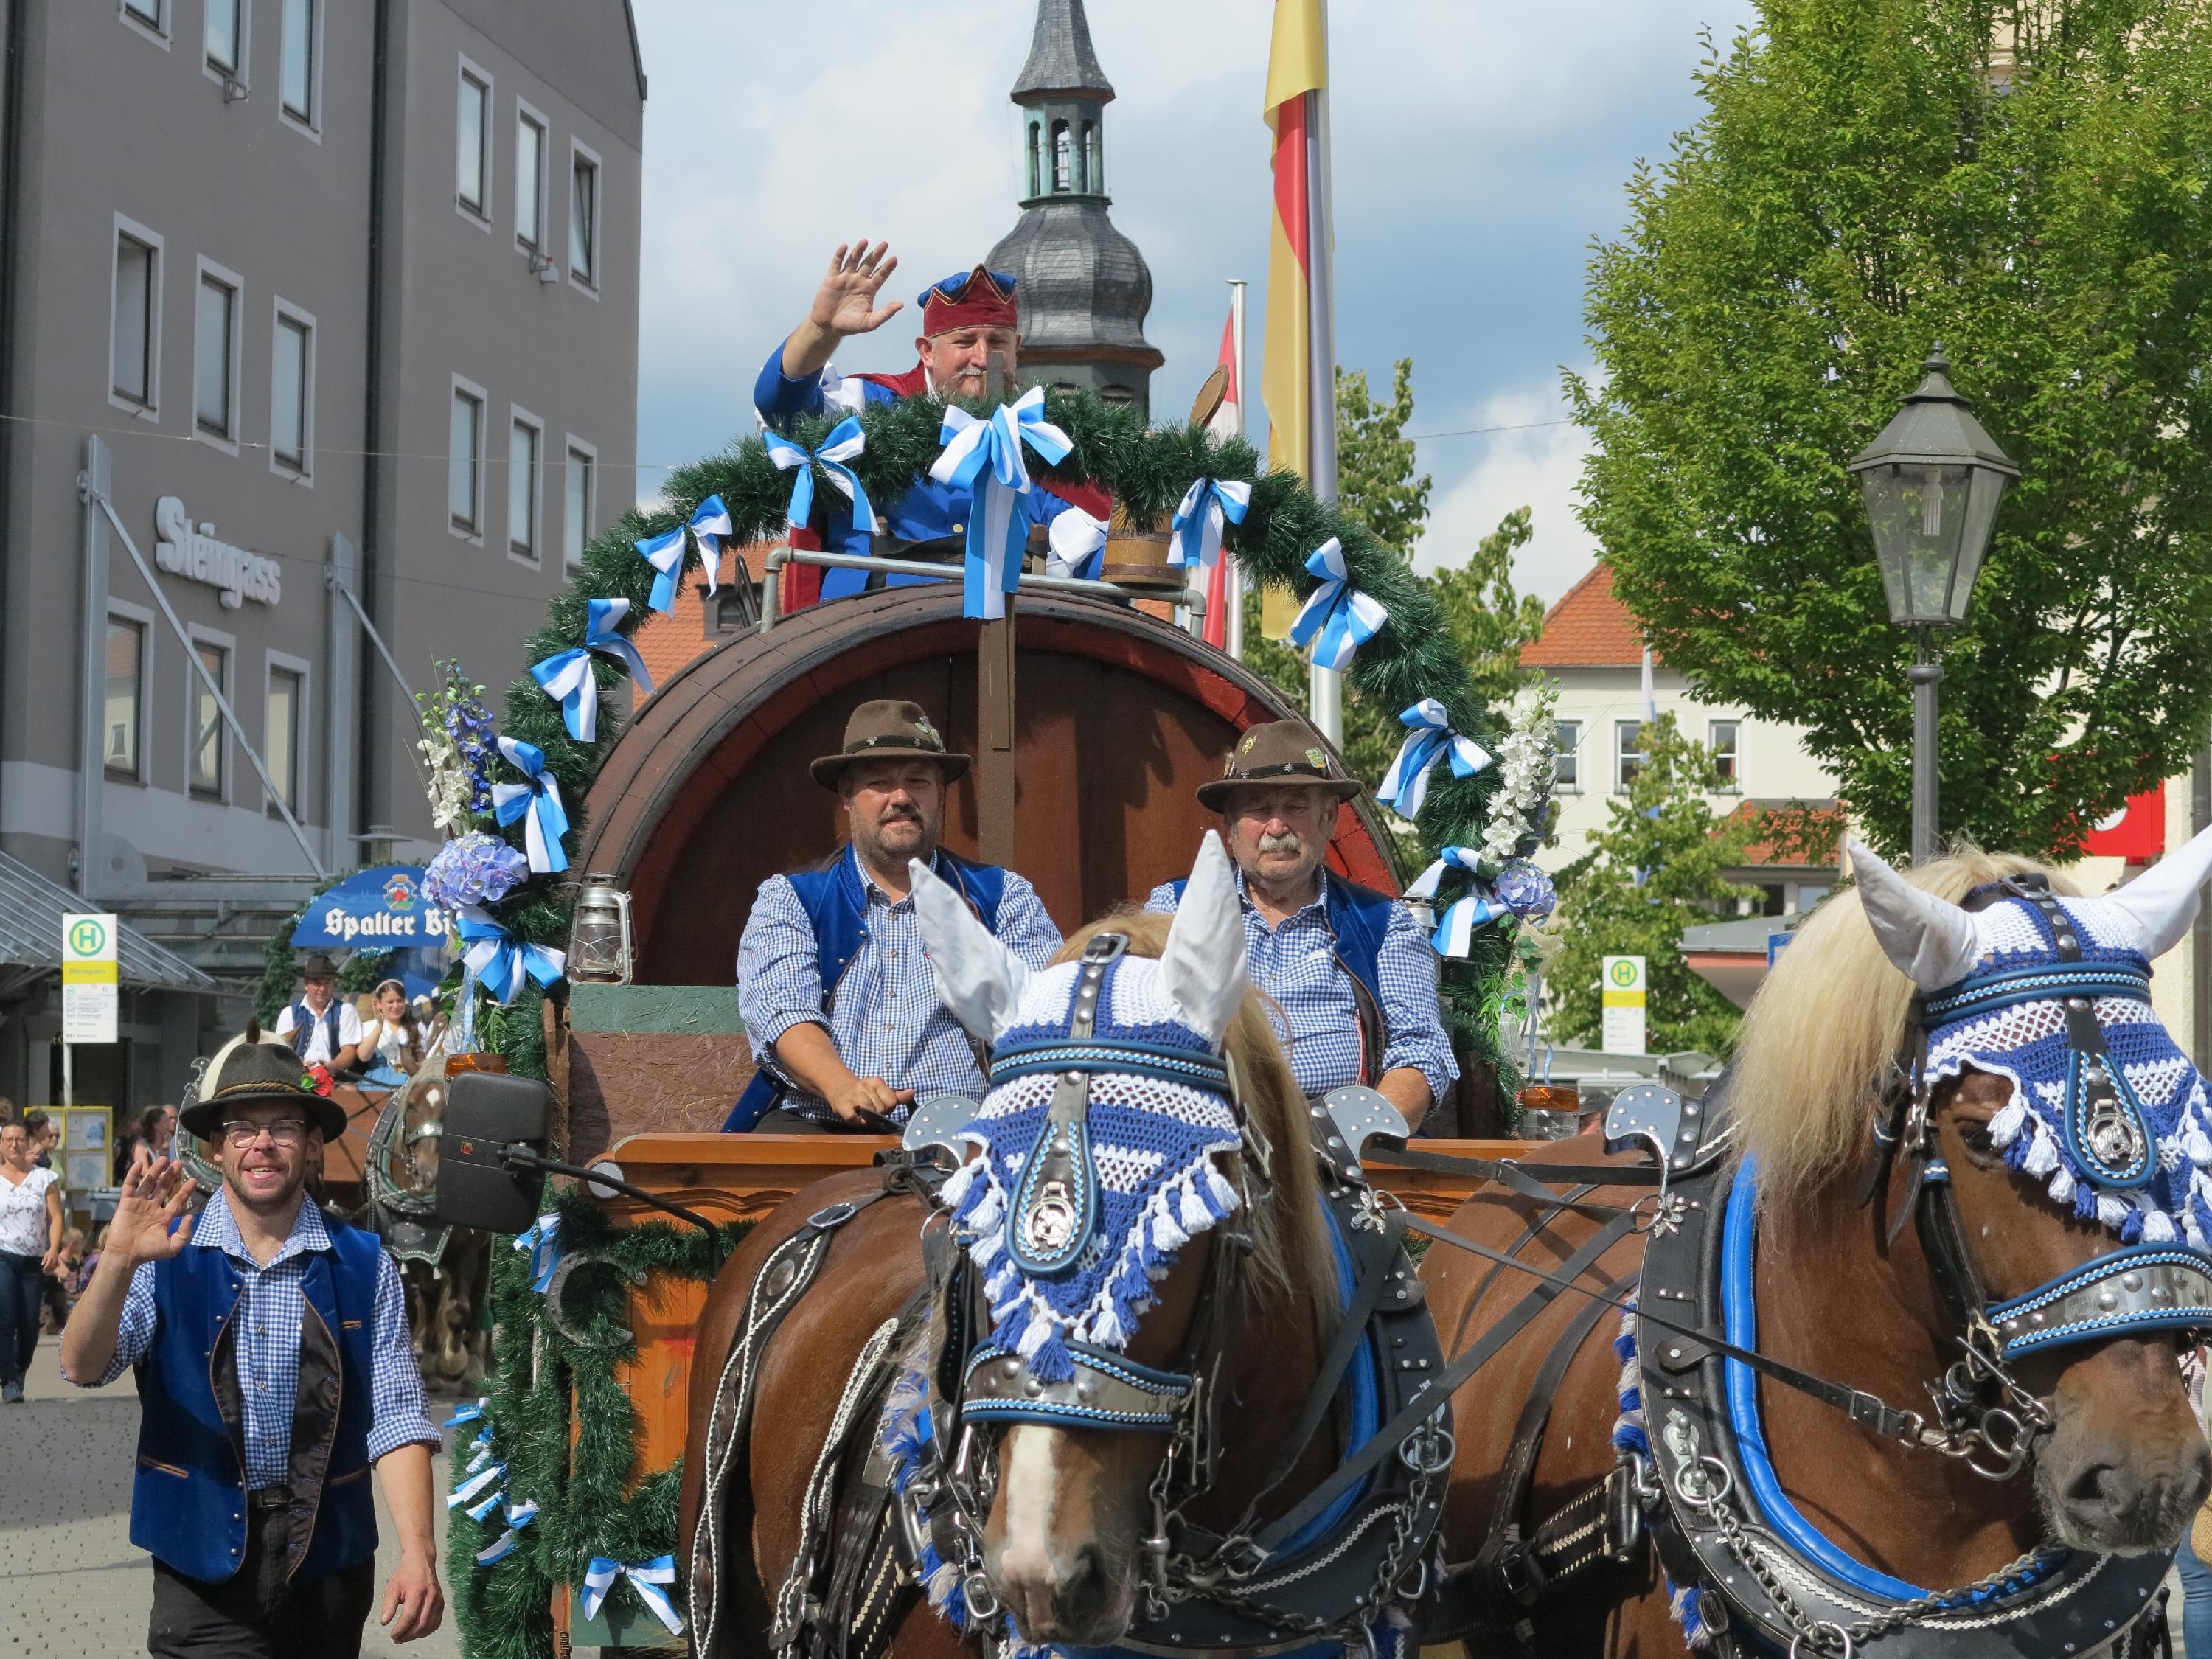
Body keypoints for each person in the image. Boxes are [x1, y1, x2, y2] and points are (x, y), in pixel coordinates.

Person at [60, 1027, 445, 1655]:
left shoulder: (364, 1262)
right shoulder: (162, 1253)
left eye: (283, 1127)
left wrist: (420, 1554)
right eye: (243, 1128)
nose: (261, 1144)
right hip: (200, 1565)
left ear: (314, 1144)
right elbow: (80, 1367)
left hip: (328, 1566)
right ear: (218, 1148)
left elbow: (398, 1419)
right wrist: (119, 1261)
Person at [734, 699, 1062, 1131]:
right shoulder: (791, 898)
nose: (902, 797)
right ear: (848, 798)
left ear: (939, 794)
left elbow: (1049, 1018)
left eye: (918, 781)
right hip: (819, 1126)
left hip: (969, 1136)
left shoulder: (1005, 898)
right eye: (880, 782)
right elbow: (783, 1013)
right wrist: (842, 1087)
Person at [1146, 722, 1458, 1131]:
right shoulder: (1174, 910)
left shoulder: (1385, 925)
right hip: (1203, 1139)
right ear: (1231, 828)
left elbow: (1421, 1050)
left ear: (1328, 820)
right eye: (1258, 808)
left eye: (1295, 807)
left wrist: (1362, 1133)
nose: (1277, 828)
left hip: (1339, 1150)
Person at [752, 243, 1105, 597]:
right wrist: (821, 329)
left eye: (997, 341)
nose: (982, 358)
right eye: (964, 341)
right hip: (870, 625)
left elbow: (1094, 553)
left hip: (1019, 628)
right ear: (927, 352)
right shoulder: (870, 405)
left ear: (1018, 349)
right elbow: (781, 404)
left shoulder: (1044, 438)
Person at [0, 1121, 62, 1402]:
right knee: (5, 1318)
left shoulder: (44, 1178)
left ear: (28, 1143)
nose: (14, 1144)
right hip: (3, 1256)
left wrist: (54, 1249)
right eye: (8, 1140)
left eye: (19, 1139)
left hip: (34, 1259)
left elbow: (56, 1216)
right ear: (1, 1145)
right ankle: (8, 1380)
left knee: (28, 1324)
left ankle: (20, 1368)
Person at [274, 953, 364, 1071]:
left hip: (335, 1080)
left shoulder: (346, 1010)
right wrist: (301, 1066)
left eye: (327, 983)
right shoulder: (289, 1013)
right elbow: (282, 1052)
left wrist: (332, 1067)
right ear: (306, 984)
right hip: (297, 1080)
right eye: (317, 983)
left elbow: (349, 1051)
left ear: (333, 984)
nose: (322, 989)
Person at [352, 980, 428, 1085]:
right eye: (390, 1002)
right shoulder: (368, 1026)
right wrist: (379, 1024)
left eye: (399, 1001)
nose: (396, 1006)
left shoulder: (417, 1026)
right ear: (379, 1004)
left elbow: (422, 1060)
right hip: (378, 1080)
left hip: (409, 1078)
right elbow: (363, 1056)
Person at [116, 1102, 178, 1185]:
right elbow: (145, 1173)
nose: (170, 1123)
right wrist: (170, 1175)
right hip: (145, 1193)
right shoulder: (141, 1146)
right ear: (156, 1125)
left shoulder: (171, 1144)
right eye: (166, 1121)